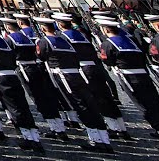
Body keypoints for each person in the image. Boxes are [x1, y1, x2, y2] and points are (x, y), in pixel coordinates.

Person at [34, 16, 113, 152]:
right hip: (78, 73)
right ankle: (104, 138)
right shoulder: (67, 39)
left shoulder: (48, 41)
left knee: (80, 105)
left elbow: (41, 56)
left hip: (64, 76)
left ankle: (96, 140)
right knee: (90, 103)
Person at [0, 16, 44, 151]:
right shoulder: (6, 41)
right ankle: (34, 136)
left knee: (13, 106)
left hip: (0, 75)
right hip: (13, 74)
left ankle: (27, 138)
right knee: (22, 104)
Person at [97, 18, 159, 137]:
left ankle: (158, 127)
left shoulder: (108, 43)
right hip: (143, 74)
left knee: (142, 104)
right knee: (154, 101)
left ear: (105, 30)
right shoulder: (130, 41)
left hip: (129, 77)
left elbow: (108, 61)